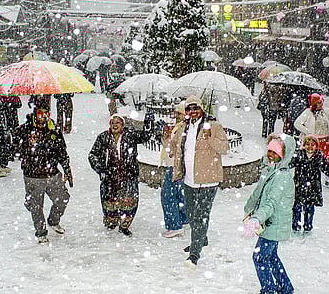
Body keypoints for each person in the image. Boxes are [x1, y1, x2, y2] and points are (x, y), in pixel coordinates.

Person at [170, 95, 228, 267]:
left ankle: (195, 252)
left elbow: (224, 148)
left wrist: (210, 137)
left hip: (208, 180)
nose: (192, 112)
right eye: (189, 109)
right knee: (191, 214)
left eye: (196, 108)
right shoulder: (182, 128)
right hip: (189, 179)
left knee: (201, 215)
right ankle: (202, 239)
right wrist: (168, 138)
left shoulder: (214, 126)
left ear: (202, 109)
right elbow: (174, 150)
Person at [243, 133, 295, 294]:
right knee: (271, 256)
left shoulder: (282, 177)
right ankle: (285, 288)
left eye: (275, 152)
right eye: (269, 151)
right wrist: (249, 209)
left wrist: (257, 218)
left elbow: (270, 203)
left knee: (259, 257)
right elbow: (259, 193)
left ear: (283, 155)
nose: (270, 155)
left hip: (273, 223)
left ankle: (269, 290)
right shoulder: (271, 170)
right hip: (270, 223)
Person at [88, 112, 154, 236]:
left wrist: (149, 122)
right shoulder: (103, 137)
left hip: (128, 175)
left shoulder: (130, 135)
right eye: (112, 123)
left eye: (118, 122)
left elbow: (146, 136)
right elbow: (92, 155)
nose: (115, 125)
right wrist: (100, 168)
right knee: (109, 201)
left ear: (123, 124)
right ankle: (111, 221)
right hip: (109, 176)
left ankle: (124, 225)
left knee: (129, 201)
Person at [14, 106, 73, 243]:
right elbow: (14, 151)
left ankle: (53, 220)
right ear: (35, 114)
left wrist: (67, 169)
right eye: (40, 113)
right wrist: (28, 145)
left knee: (63, 199)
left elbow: (62, 151)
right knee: (36, 206)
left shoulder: (54, 129)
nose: (43, 116)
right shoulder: (24, 130)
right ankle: (41, 232)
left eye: (46, 113)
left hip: (52, 174)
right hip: (32, 176)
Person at [290, 134, 329, 233]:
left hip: (312, 190)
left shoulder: (319, 157)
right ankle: (295, 228)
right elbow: (287, 163)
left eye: (312, 145)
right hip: (299, 188)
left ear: (316, 146)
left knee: (309, 210)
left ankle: (307, 228)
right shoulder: (299, 155)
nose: (310, 147)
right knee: (297, 209)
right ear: (304, 145)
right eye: (308, 144)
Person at [294, 93, 329, 188]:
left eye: (321, 102)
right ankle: (307, 178)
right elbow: (297, 123)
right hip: (314, 142)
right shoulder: (308, 112)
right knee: (312, 159)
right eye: (319, 103)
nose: (321, 104)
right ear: (314, 103)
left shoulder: (323, 111)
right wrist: (308, 132)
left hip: (325, 141)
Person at [159, 101, 188, 238]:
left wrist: (168, 140)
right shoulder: (179, 127)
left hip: (175, 167)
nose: (176, 115)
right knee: (179, 195)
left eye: (179, 113)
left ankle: (174, 225)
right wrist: (166, 138)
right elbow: (170, 149)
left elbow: (174, 150)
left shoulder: (182, 128)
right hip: (176, 166)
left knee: (168, 196)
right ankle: (183, 220)